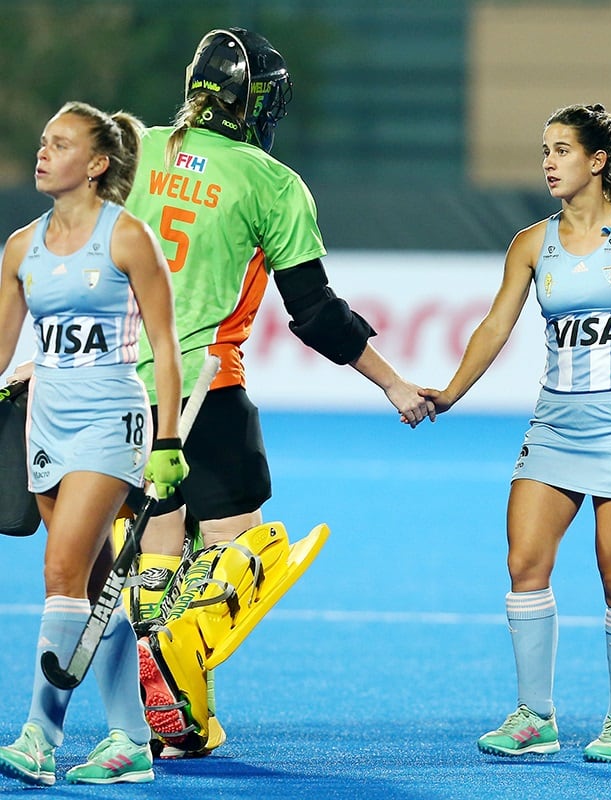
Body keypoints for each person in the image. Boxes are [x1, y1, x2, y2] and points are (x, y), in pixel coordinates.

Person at [120, 27, 435, 757]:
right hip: (203, 385)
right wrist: (393, 384)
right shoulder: (270, 181)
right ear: (256, 103)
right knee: (247, 550)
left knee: (160, 555)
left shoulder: (133, 151)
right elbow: (315, 312)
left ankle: (179, 725)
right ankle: (180, 648)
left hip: (116, 390)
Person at [420, 103, 611, 764]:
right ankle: (535, 716)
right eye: (545, 151)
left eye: (561, 151)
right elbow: (495, 326)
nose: (549, 163)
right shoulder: (531, 241)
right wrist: (450, 392)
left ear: (598, 161)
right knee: (524, 561)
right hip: (555, 421)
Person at [0, 102, 186, 785]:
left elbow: (165, 345)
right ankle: (129, 743)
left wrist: (167, 437)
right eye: (43, 140)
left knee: (61, 576)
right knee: (95, 586)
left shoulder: (128, 237)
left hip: (111, 419)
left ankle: (38, 740)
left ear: (98, 163)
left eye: (60, 143)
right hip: (45, 420)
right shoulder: (21, 246)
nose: (42, 152)